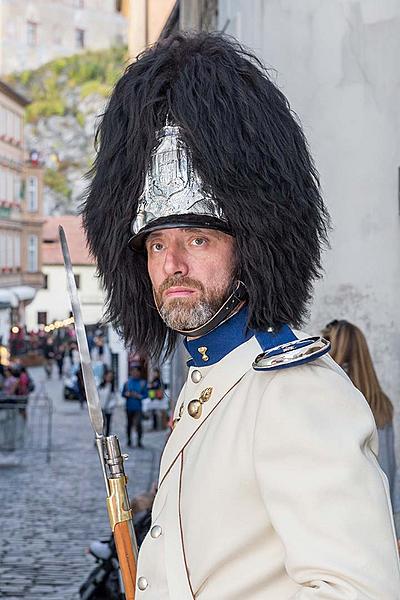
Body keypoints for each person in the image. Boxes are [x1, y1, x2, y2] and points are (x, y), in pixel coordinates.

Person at [82, 33, 400, 599]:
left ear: (248, 246)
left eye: (198, 239)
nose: (172, 264)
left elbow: (358, 590)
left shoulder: (296, 393)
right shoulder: (205, 381)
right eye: (156, 244)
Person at [323, 319, 400, 517]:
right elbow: (389, 471)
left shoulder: (327, 399)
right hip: (378, 515)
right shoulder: (382, 405)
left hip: (341, 515)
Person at [122, 367, 147, 448]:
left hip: (138, 408)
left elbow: (146, 395)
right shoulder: (127, 383)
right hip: (129, 407)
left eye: (136, 372)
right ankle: (129, 440)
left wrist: (139, 396)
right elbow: (123, 394)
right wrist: (127, 394)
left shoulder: (142, 383)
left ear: (139, 373)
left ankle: (139, 441)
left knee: (138, 424)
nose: (135, 373)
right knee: (129, 424)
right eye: (133, 372)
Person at [98, 368, 116, 436]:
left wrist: (109, 406)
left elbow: (114, 399)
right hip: (100, 409)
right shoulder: (101, 385)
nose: (109, 378)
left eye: (110, 377)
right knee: (100, 425)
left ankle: (107, 438)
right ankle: (99, 438)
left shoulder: (112, 387)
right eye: (108, 376)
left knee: (108, 424)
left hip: (108, 409)